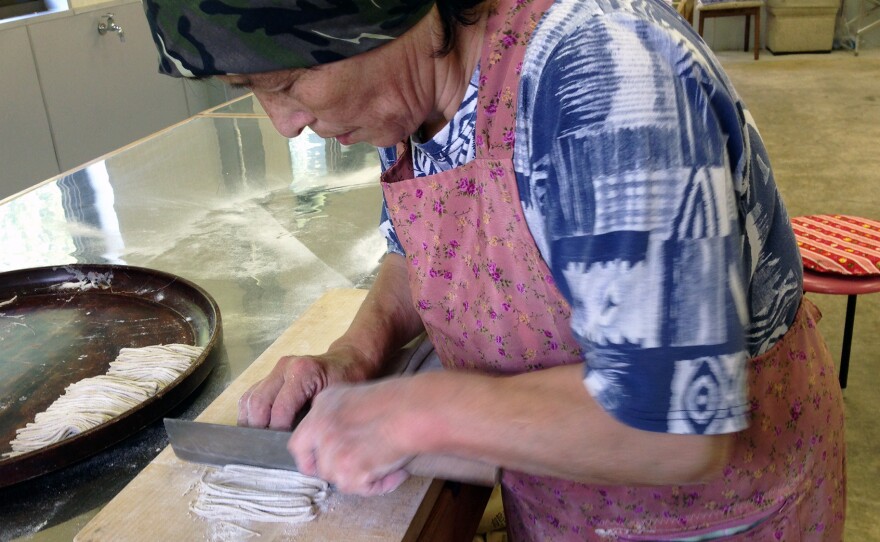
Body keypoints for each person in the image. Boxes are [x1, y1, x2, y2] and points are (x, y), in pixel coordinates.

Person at [143, 0, 846, 539]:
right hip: (561, 501)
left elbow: (674, 423)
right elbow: (428, 246)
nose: (283, 124)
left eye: (289, 81)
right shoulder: (417, 94)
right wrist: (355, 355)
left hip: (717, 518)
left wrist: (417, 414)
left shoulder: (603, 70)